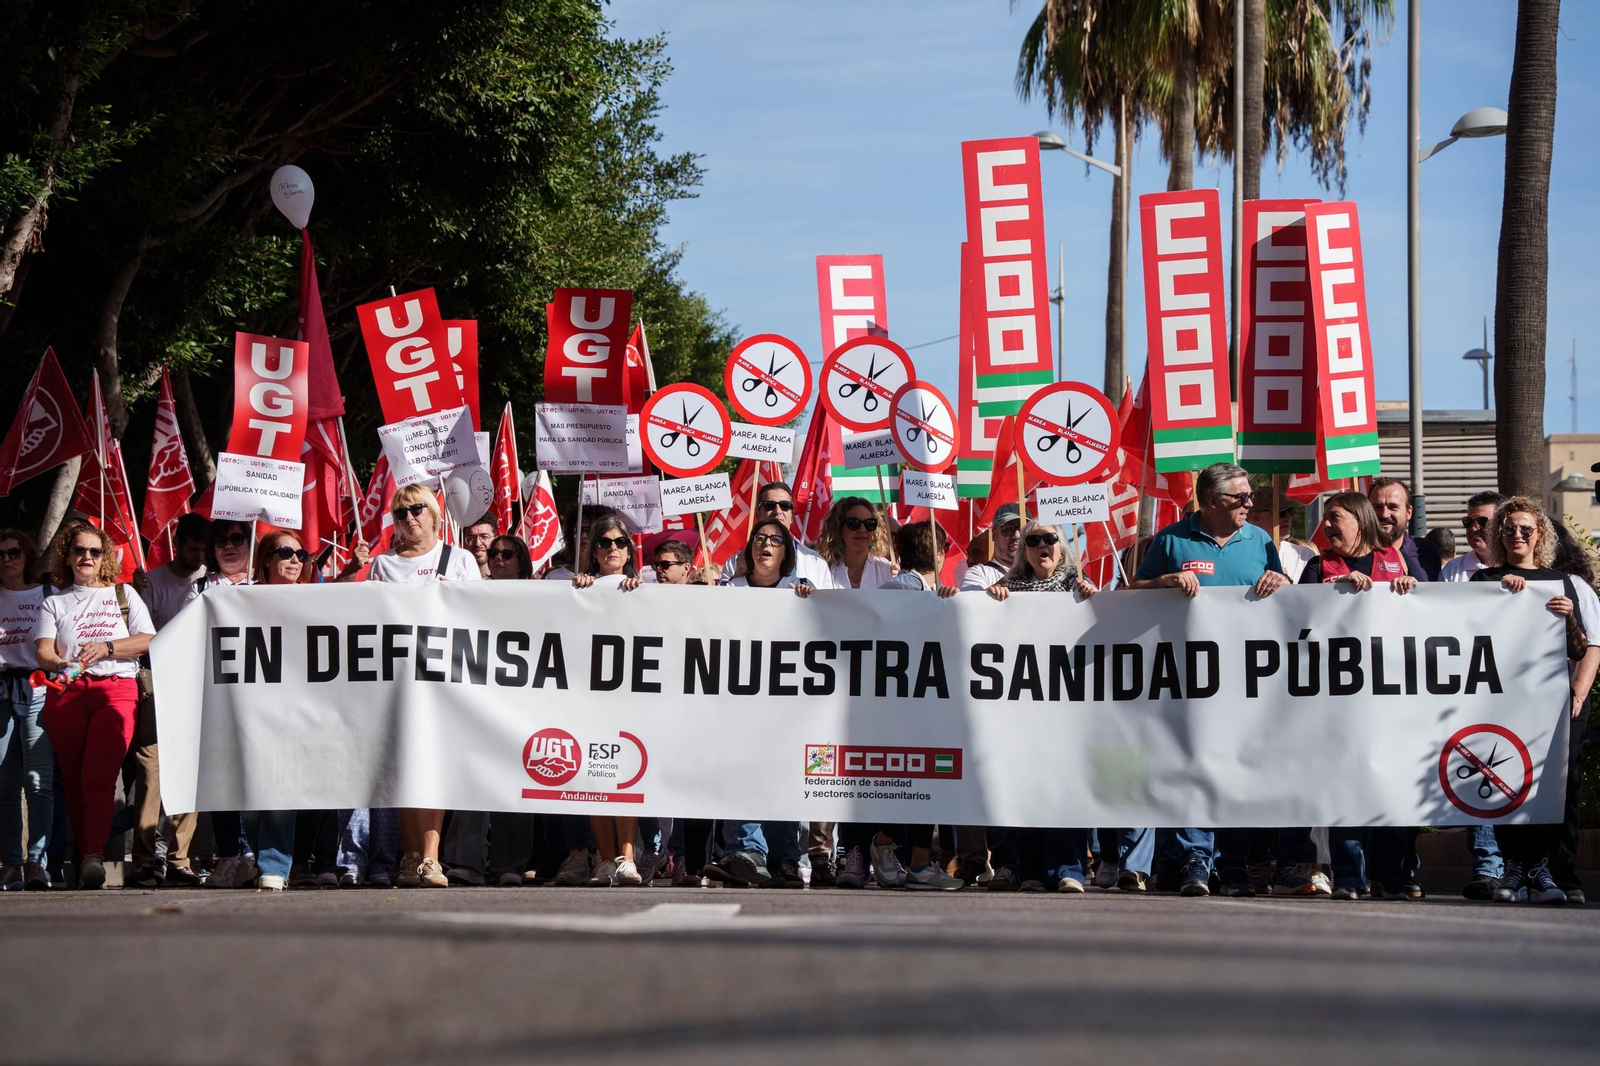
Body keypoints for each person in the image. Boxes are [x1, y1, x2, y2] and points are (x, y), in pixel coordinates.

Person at [1129, 462, 1288, 897]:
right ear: (1213, 500)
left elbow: (1288, 603)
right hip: (1185, 682)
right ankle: (1193, 858)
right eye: (1241, 497)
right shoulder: (1171, 539)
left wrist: (1282, 579)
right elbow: (1129, 595)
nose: (1250, 504)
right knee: (1190, 766)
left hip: (1244, 683)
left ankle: (1233, 863)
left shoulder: (1259, 540)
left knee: (1234, 770)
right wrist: (1162, 581)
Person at [1471, 499, 1594, 905]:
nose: (1517, 535)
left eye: (1526, 529)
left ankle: (1542, 870)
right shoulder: (1483, 578)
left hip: (1549, 703)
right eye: (1508, 529)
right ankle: (1513, 867)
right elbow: (1460, 626)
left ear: (1540, 534)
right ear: (1498, 535)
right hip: (1499, 701)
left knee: (1554, 785)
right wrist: (1497, 595)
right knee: (1504, 782)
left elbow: (1578, 650)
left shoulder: (1562, 582)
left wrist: (1569, 617)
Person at [1299, 492, 1418, 900]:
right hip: (1339, 705)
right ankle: (1349, 877)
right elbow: (1297, 620)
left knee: (1392, 791)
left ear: (1361, 519)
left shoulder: (1395, 561)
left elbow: (1429, 613)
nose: (1327, 526)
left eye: (1335, 518)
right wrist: (1335, 592)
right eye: (1326, 519)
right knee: (1346, 790)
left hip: (1391, 705)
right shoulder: (1318, 566)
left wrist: (1409, 588)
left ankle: (1391, 877)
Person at [368, 484, 480, 889]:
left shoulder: (460, 559)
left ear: (434, 514)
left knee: (431, 764)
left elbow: (481, 617)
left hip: (443, 680)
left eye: (417, 509)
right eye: (401, 513)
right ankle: (413, 855)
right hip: (397, 680)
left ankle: (431, 859)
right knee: (403, 767)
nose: (410, 518)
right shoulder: (382, 566)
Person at [32, 521, 155, 890]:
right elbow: (42, 650)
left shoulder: (124, 595)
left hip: (116, 691)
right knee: (71, 781)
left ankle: (92, 857)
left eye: (94, 551)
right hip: (66, 695)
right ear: (67, 557)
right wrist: (61, 664)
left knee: (98, 778)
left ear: (105, 559)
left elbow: (148, 639)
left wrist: (107, 648)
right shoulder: (53, 601)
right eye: (79, 550)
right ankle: (86, 853)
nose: (87, 556)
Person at [981, 522, 1097, 893]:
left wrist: (1095, 600)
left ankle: (1068, 869)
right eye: (1033, 540)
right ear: (1023, 551)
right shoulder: (1008, 591)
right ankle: (1030, 870)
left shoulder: (1078, 589)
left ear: (1062, 547)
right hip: (1020, 710)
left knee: (1064, 786)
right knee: (1026, 786)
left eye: (1050, 539)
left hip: (1067, 709)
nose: (1042, 545)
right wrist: (989, 600)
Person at [704, 519, 811, 889]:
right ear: (750, 547)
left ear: (787, 552)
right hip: (740, 703)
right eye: (760, 538)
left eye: (776, 540)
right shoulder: (729, 589)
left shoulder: (799, 590)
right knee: (743, 772)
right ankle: (748, 853)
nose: (766, 544)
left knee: (782, 777)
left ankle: (785, 860)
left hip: (786, 706)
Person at [121, 512, 209, 889]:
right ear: (177, 544)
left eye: (203, 549)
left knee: (192, 772)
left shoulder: (212, 582)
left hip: (199, 684)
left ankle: (179, 859)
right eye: (192, 549)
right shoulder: (153, 582)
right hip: (156, 683)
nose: (198, 556)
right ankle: (143, 860)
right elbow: (138, 631)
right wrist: (137, 592)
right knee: (150, 771)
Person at [1441, 491, 1508, 898]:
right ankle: (1487, 866)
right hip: (1468, 689)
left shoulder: (1532, 572)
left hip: (1513, 691)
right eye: (1468, 523)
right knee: (1481, 777)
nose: (1473, 530)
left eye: (1482, 522)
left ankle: (1521, 868)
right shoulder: (1453, 571)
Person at [572, 514, 645, 885]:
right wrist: (581, 591)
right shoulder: (582, 587)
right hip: (591, 697)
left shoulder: (643, 588)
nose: (612, 548)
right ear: (594, 551)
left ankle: (626, 858)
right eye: (604, 542)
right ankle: (603, 860)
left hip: (630, 696)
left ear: (629, 549)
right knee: (594, 778)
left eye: (619, 542)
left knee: (626, 778)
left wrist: (642, 591)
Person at [0, 530, 51, 891]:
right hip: (2, 692)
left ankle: (38, 863)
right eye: (0, 554)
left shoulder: (47, 595)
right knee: (4, 784)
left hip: (39, 692)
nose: (7, 559)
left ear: (26, 554)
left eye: (14, 552)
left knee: (38, 784)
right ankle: (11, 864)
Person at [719, 482, 833, 587]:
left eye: (785, 506)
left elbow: (826, 605)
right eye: (769, 505)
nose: (777, 511)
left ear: (792, 515)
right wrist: (739, 577)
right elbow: (722, 601)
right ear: (758, 514)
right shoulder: (734, 563)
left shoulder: (816, 562)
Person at [1368, 477, 1442, 582]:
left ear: (1409, 512)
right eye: (1377, 507)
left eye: (1393, 507)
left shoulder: (1427, 552)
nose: (1384, 514)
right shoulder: (1354, 552)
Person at [815, 497, 895, 590]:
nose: (862, 529)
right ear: (839, 530)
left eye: (869, 523)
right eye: (853, 523)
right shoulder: (822, 571)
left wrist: (902, 583)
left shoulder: (888, 572)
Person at [1249, 486, 1314, 583]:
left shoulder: (1304, 555)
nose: (1288, 518)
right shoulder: (1241, 554)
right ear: (1256, 518)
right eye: (1281, 512)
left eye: (1291, 511)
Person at [1441, 491, 1507, 584]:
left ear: (1502, 524)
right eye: (1469, 521)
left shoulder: (1521, 566)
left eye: (1483, 521)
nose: (1474, 528)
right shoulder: (1452, 570)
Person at [959, 504, 1023, 592]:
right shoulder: (979, 574)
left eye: (1023, 529)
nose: (1017, 536)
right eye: (1008, 529)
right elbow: (972, 603)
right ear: (994, 534)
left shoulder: (1041, 573)